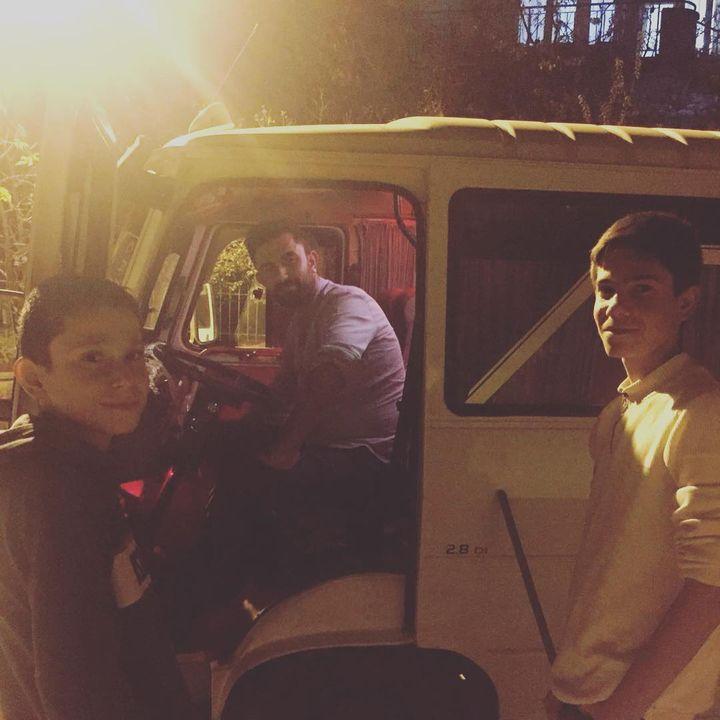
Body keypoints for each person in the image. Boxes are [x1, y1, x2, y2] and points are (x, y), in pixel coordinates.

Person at [545, 212, 720, 720]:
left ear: (685, 302)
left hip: (647, 708)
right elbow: (604, 571)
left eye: (642, 289)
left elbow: (712, 586)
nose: (615, 307)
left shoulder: (699, 410)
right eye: (606, 290)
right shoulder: (620, 412)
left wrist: (621, 709)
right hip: (587, 692)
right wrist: (565, 683)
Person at [0, 276, 197, 720]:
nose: (125, 378)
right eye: (92, 358)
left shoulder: (62, 464)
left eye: (133, 356)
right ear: (33, 378)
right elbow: (75, 685)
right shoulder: (62, 497)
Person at [209, 222, 406, 610]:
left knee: (250, 481)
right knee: (224, 443)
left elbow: (328, 375)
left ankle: (233, 595)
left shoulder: (348, 304)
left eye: (289, 260)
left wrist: (284, 448)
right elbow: (285, 387)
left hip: (368, 456)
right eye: (269, 268)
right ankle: (233, 582)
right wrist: (248, 420)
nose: (281, 274)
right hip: (333, 445)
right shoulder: (303, 318)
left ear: (312, 260)